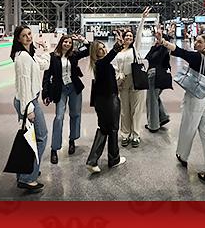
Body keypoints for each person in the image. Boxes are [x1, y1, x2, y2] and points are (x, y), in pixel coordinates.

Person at [155, 27, 205, 186]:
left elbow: (179, 51)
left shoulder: (198, 57)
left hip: (196, 99)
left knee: (187, 128)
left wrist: (162, 41)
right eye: (196, 40)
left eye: (200, 42)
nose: (196, 43)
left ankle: (183, 156)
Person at [10, 25, 50, 192]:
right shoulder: (23, 58)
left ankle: (25, 172)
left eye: (29, 34)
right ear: (18, 39)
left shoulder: (28, 55)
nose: (28, 37)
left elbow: (44, 65)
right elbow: (25, 85)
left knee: (29, 139)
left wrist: (46, 48)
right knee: (41, 137)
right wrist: (30, 109)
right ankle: (28, 177)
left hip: (27, 100)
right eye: (24, 35)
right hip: (28, 101)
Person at [42, 33, 91, 164]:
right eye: (65, 42)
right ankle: (54, 148)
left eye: (69, 43)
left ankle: (72, 140)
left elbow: (89, 50)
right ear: (61, 43)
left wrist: (83, 40)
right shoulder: (53, 57)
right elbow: (46, 76)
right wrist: (45, 93)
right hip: (60, 89)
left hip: (74, 88)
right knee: (59, 117)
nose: (67, 44)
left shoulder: (73, 55)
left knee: (75, 115)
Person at [86, 33, 127, 173]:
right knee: (113, 129)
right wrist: (117, 47)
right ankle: (114, 159)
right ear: (95, 53)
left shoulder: (100, 65)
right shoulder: (101, 63)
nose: (103, 50)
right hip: (109, 100)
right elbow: (109, 57)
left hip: (101, 101)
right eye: (99, 49)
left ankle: (92, 161)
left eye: (104, 47)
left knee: (104, 129)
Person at [112, 8, 149, 148]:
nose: (129, 38)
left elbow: (139, 34)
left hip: (136, 80)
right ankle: (125, 134)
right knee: (124, 110)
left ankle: (135, 135)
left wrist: (142, 19)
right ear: (122, 38)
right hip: (123, 82)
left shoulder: (135, 48)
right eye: (126, 36)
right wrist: (118, 77)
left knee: (136, 109)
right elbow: (115, 66)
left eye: (130, 37)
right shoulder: (118, 52)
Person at [144, 32, 172, 132]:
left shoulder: (164, 49)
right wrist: (153, 47)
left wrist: (161, 41)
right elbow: (147, 58)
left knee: (151, 100)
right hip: (155, 76)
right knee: (155, 98)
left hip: (156, 76)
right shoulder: (156, 48)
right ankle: (163, 117)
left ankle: (153, 125)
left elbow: (155, 58)